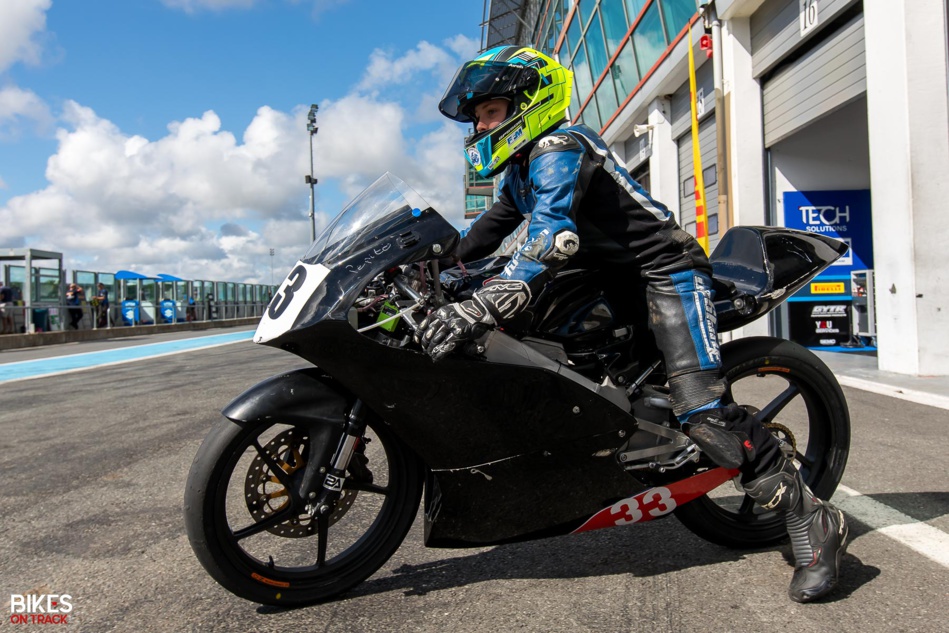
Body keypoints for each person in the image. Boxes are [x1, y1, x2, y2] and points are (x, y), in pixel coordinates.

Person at [417, 46, 847, 603]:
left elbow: (549, 235)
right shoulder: (521, 168)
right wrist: (429, 267)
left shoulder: (558, 147)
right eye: (478, 116)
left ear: (529, 103)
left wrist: (480, 304)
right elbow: (484, 235)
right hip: (606, 278)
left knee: (703, 414)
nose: (479, 124)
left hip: (663, 273)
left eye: (490, 112)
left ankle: (813, 519)